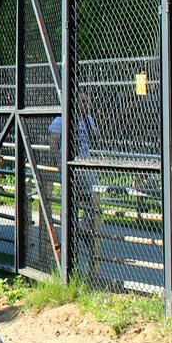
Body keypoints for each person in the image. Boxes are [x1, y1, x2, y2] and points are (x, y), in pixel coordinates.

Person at [47, 90, 101, 275]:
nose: (87, 105)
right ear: (75, 102)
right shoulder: (62, 119)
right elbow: (53, 142)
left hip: (85, 165)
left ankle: (84, 226)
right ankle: (70, 234)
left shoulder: (88, 119)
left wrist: (91, 123)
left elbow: (96, 136)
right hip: (70, 166)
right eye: (84, 101)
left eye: (88, 102)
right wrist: (59, 163)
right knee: (71, 202)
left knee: (94, 197)